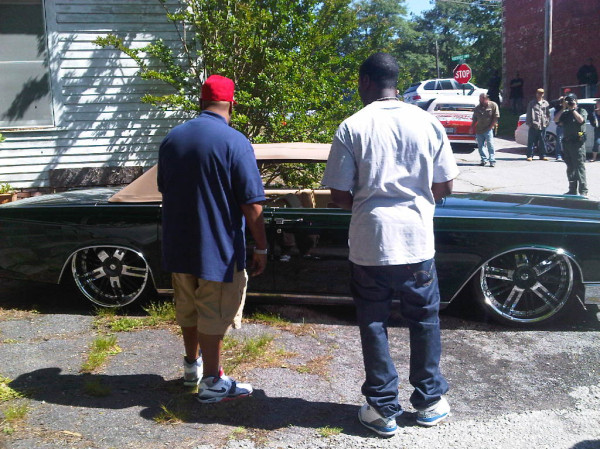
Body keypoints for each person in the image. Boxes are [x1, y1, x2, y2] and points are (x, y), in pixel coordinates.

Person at [322, 53, 458, 437]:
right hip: (417, 241)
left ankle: (382, 410)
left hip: (372, 242)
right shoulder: (427, 122)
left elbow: (338, 194)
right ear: (396, 81)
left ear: (366, 81)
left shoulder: (352, 126)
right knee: (424, 319)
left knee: (373, 321)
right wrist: (417, 200)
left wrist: (369, 205)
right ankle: (429, 402)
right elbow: (445, 185)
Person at [157, 74, 268, 403]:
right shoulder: (235, 141)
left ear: (201, 101)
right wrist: (262, 246)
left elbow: (164, 187)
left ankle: (191, 367)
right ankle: (212, 382)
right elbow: (251, 203)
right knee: (213, 313)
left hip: (179, 244)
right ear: (232, 103)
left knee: (188, 308)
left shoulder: (172, 139)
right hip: (217, 248)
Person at [554, 93, 589, 196]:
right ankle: (572, 189)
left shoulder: (581, 111)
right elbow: (556, 120)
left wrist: (573, 109)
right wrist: (563, 108)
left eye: (571, 101)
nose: (570, 103)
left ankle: (583, 191)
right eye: (568, 101)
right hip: (567, 143)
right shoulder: (565, 113)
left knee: (579, 167)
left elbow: (581, 120)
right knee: (570, 168)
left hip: (577, 144)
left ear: (576, 101)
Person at [471, 93, 500, 167]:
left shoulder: (493, 105)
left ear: (486, 99)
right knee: (480, 146)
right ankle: (483, 160)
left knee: (490, 145)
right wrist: (472, 127)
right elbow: (474, 119)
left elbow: (496, 117)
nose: (480, 101)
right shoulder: (477, 108)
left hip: (488, 129)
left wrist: (491, 126)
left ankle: (492, 160)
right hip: (479, 129)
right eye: (480, 99)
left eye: (482, 99)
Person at [525, 88, 551, 161]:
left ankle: (543, 155)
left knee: (542, 141)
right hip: (534, 124)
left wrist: (547, 121)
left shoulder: (546, 103)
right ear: (536, 94)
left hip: (542, 125)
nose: (540, 95)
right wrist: (529, 123)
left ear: (543, 94)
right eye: (539, 93)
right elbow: (529, 113)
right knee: (531, 141)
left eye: (541, 93)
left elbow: (548, 114)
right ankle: (530, 155)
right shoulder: (532, 103)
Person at [549, 95, 567, 161]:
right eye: (564, 101)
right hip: (561, 127)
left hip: (569, 127)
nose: (565, 102)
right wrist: (560, 101)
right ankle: (558, 155)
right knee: (559, 141)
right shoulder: (558, 108)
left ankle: (567, 155)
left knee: (567, 141)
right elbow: (552, 103)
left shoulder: (571, 107)